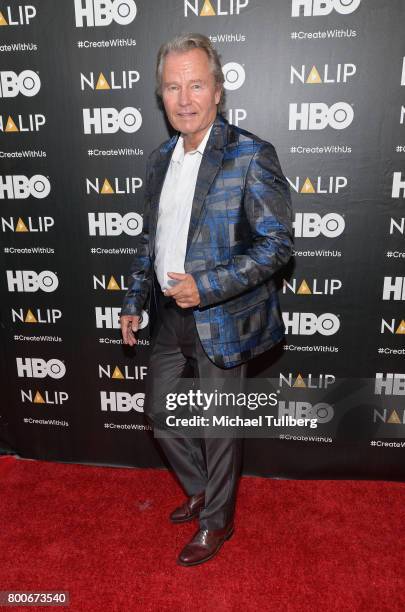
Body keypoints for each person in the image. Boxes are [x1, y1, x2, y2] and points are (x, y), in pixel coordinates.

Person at [120, 33, 293, 567]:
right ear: (160, 94)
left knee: (219, 428)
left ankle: (217, 521)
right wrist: (134, 300)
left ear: (218, 90)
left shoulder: (249, 154)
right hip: (170, 315)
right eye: (172, 87)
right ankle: (199, 489)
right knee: (159, 412)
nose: (184, 98)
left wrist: (209, 285)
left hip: (222, 315)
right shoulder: (158, 159)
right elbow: (149, 240)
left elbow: (276, 245)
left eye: (196, 84)